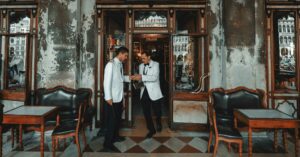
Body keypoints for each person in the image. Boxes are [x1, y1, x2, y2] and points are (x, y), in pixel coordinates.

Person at [103, 46, 130, 152]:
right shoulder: (111, 65)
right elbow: (106, 82)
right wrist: (108, 97)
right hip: (111, 99)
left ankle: (115, 137)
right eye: (126, 55)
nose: (126, 58)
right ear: (121, 54)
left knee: (117, 119)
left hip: (118, 98)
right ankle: (107, 143)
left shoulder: (120, 65)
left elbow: (121, 79)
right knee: (111, 122)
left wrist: (130, 78)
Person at [131, 51, 163, 138]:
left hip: (154, 92)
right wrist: (136, 79)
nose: (142, 60)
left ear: (149, 57)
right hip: (144, 92)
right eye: (141, 58)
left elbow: (154, 78)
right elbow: (142, 80)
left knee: (157, 111)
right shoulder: (141, 66)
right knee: (146, 112)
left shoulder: (156, 64)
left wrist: (141, 76)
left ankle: (159, 123)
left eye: (144, 58)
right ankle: (151, 129)